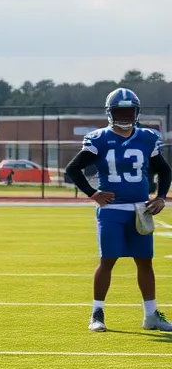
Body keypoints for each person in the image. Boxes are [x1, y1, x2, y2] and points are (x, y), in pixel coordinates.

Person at [63, 88, 172, 333]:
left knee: (145, 262)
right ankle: (97, 314)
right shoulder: (98, 138)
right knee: (108, 260)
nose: (124, 115)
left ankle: (151, 315)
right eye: (119, 111)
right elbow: (72, 169)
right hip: (112, 210)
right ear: (110, 113)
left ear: (136, 112)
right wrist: (93, 194)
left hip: (140, 210)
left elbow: (164, 171)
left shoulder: (147, 137)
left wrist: (162, 197)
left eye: (128, 111)